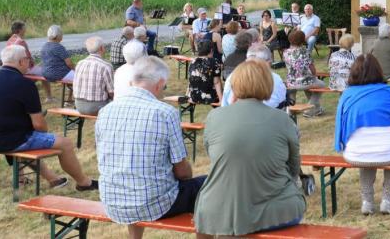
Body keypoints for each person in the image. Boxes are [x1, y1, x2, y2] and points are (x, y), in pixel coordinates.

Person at [96, 56, 206, 239]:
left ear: (132, 81)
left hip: (113, 201)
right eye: (164, 86)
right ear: (160, 83)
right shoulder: (165, 113)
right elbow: (183, 172)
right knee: (208, 186)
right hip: (154, 204)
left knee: (137, 179)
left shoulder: (105, 111)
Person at [194, 60, 306, 237]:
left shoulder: (214, 117)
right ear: (268, 85)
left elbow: (214, 156)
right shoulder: (282, 120)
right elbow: (294, 167)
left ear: (234, 84)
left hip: (216, 208)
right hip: (276, 210)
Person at [0, 45, 98, 191]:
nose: (30, 62)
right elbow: (40, 125)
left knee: (28, 139)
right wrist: (43, 131)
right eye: (28, 59)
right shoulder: (25, 84)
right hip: (9, 140)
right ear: (21, 61)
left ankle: (54, 180)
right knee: (65, 143)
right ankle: (84, 183)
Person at [334, 54, 390, 215]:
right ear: (379, 71)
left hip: (356, 153)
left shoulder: (347, 94)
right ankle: (387, 200)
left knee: (365, 156)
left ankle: (367, 201)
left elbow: (340, 124)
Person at [221, 44, 288, 109]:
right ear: (268, 63)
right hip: (267, 114)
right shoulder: (275, 79)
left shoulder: (232, 77)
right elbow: (281, 102)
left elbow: (224, 105)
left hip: (235, 113)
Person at [284, 30, 326, 117]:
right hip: (305, 81)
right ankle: (310, 109)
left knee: (294, 90)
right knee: (322, 84)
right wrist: (314, 76)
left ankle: (290, 111)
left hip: (291, 82)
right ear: (302, 40)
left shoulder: (286, 52)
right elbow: (312, 68)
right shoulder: (305, 52)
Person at [72, 37, 114, 115]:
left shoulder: (79, 63)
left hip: (79, 105)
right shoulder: (106, 66)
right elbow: (111, 92)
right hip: (98, 106)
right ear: (101, 48)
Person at [40, 25, 75, 100]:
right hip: (57, 74)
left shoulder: (44, 46)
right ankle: (69, 99)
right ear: (58, 36)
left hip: (45, 73)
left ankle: (68, 97)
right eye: (61, 34)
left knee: (70, 74)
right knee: (77, 75)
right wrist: (76, 69)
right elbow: (69, 63)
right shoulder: (59, 47)